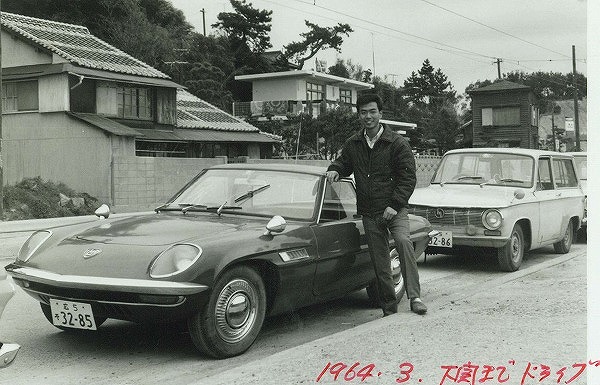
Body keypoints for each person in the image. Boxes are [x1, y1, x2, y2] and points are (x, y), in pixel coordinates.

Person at [326, 93, 427, 316]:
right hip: (370, 212)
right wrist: (334, 169)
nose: (368, 116)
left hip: (394, 208)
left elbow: (408, 178)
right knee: (380, 259)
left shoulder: (397, 143)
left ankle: (415, 296)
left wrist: (394, 204)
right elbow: (344, 162)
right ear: (359, 115)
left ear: (380, 114)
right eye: (363, 112)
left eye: (373, 112)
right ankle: (389, 308)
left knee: (402, 242)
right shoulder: (354, 143)